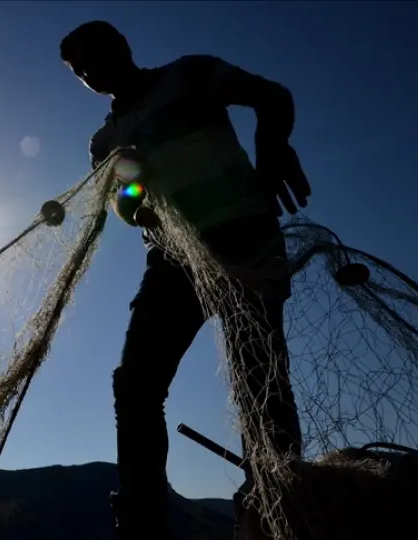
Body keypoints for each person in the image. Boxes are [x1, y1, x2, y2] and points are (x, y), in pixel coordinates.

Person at [59, 21, 311, 539]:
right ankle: (141, 522)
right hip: (174, 261)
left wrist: (273, 150)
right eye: (80, 72)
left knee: (259, 380)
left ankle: (278, 509)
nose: (90, 75)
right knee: (136, 385)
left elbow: (272, 97)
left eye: (93, 59)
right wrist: (135, 196)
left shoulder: (191, 75)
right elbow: (128, 204)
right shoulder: (105, 141)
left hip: (246, 240)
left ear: (122, 47)